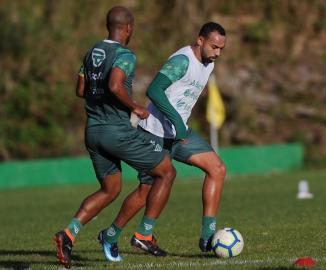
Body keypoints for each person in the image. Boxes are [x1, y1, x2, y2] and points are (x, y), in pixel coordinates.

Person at [53, 6, 176, 268]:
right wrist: (134, 106)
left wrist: (101, 102)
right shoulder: (124, 55)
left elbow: (80, 89)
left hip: (93, 131)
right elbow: (114, 84)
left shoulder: (91, 52)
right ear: (128, 27)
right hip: (116, 132)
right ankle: (144, 234)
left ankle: (68, 234)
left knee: (110, 190)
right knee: (166, 172)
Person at [99, 22, 227, 261]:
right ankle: (113, 234)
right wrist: (177, 121)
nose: (217, 53)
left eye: (221, 48)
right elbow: (155, 90)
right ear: (200, 40)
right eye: (213, 46)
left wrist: (180, 125)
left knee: (217, 169)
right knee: (146, 190)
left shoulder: (209, 64)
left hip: (179, 133)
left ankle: (208, 234)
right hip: (155, 132)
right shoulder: (183, 60)